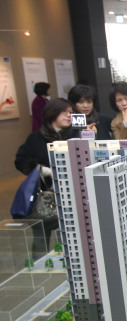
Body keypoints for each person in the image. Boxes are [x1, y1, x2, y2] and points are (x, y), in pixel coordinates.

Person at [15, 98, 74, 251]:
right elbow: (21, 160)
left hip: (70, 196)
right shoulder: (35, 138)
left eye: (70, 113)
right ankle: (40, 269)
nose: (68, 116)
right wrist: (43, 170)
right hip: (43, 196)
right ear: (52, 113)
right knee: (41, 238)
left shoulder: (74, 136)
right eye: (64, 112)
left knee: (70, 238)